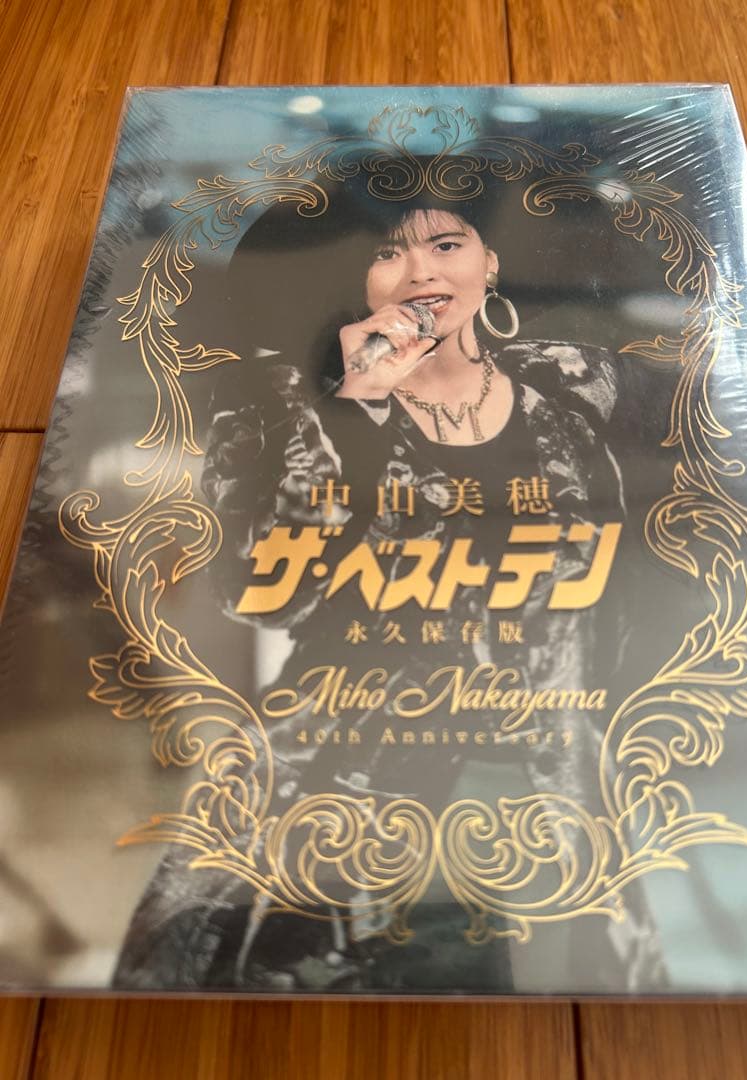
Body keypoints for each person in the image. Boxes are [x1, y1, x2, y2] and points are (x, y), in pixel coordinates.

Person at [114, 178, 667, 994]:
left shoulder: (574, 381)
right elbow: (262, 588)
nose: (422, 272)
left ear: (490, 263)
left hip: (548, 768)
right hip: (344, 768)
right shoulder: (281, 402)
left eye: (446, 245)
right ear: (357, 280)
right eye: (388, 252)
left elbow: (677, 510)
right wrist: (359, 408)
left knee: (561, 1003)